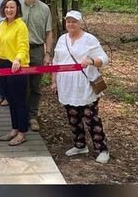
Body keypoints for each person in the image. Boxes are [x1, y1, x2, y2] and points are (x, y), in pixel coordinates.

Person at [51, 10, 111, 164]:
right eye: (68, 21)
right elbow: (56, 62)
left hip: (84, 86)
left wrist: (91, 61)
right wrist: (54, 81)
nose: (71, 24)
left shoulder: (89, 39)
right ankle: (80, 145)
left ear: (80, 23)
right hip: (67, 86)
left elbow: (104, 59)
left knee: (91, 118)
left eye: (74, 21)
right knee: (73, 117)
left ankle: (102, 149)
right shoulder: (62, 39)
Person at [0, 0, 30, 146]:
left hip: (16, 66)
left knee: (19, 100)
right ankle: (15, 129)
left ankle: (22, 132)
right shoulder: (2, 24)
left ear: (17, 9)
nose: (9, 10)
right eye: (6, 7)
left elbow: (23, 46)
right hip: (3, 64)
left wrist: (18, 59)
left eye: (12, 7)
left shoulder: (21, 26)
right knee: (10, 99)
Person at [20, 0, 55, 132]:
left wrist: (47, 53)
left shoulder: (44, 9)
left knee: (35, 86)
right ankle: (22, 115)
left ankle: (33, 116)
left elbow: (49, 33)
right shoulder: (16, 7)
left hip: (37, 50)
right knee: (21, 85)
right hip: (19, 52)